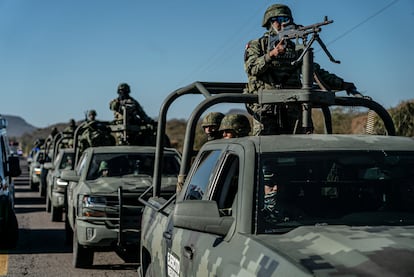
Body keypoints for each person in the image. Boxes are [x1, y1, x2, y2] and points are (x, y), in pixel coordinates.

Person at [244, 4, 357, 135]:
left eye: (287, 20)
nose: (284, 24)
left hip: (293, 108)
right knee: (265, 149)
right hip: (266, 109)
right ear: (270, 22)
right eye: (279, 20)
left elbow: (315, 71)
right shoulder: (257, 45)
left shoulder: (296, 48)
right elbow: (252, 68)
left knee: (300, 148)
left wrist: (342, 84)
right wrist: (271, 54)